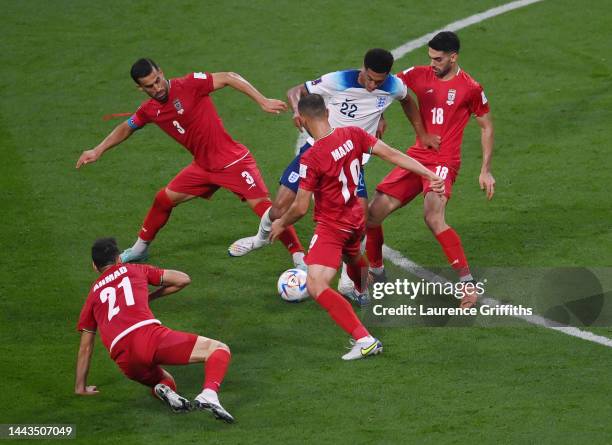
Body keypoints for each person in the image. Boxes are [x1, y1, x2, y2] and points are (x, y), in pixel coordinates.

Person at [228, 49, 439, 300]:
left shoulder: (393, 86)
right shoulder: (338, 80)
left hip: (351, 156)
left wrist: (414, 130)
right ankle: (260, 237)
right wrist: (297, 111)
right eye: (369, 79)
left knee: (357, 224)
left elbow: (405, 102)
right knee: (278, 208)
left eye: (378, 82)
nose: (373, 86)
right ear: (363, 68)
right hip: (315, 152)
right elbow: (297, 90)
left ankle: (349, 284)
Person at [76, 58, 305, 267]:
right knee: (163, 199)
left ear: (161, 72)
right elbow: (127, 126)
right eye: (149, 86)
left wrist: (262, 100)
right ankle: (139, 249)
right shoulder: (150, 110)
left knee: (269, 211)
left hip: (233, 162)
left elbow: (227, 77)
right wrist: (98, 150)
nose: (157, 88)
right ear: (140, 88)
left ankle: (299, 257)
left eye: (158, 80)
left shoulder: (188, 84)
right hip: (203, 168)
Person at [269, 94, 444, 359]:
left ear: (303, 121)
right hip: (356, 218)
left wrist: (281, 222)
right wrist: (429, 173)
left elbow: (301, 207)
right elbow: (392, 154)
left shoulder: (312, 157)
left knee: (316, 285)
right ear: (327, 112)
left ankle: (364, 340)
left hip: (332, 225)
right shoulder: (353, 134)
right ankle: (363, 290)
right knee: (352, 256)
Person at [365, 31, 495, 309]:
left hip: (444, 162)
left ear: (453, 57)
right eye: (430, 58)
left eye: (438, 59)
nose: (433, 63)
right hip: (415, 157)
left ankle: (467, 284)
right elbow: (387, 87)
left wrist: (485, 169)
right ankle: (376, 272)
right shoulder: (417, 74)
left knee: (433, 217)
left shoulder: (470, 87)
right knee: (372, 215)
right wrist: (382, 116)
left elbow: (486, 126)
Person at [75, 237, 234, 422]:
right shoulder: (134, 269)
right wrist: (150, 297)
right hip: (148, 337)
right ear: (119, 259)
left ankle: (162, 390)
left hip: (123, 358)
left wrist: (81, 387)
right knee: (218, 349)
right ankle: (209, 394)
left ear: (95, 266)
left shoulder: (93, 295)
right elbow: (183, 280)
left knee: (166, 382)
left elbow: (85, 347)